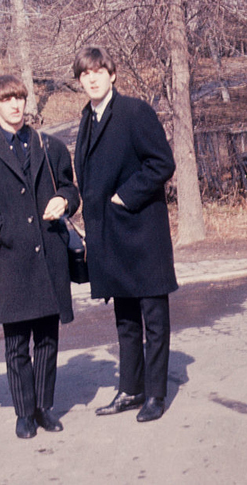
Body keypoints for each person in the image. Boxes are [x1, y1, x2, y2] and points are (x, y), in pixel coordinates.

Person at [0, 75, 80, 439]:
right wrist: (2, 231)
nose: (15, 106)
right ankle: (24, 412)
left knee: (47, 338)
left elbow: (70, 188)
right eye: (7, 100)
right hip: (11, 258)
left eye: (20, 99)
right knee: (16, 343)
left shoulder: (51, 146)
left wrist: (65, 201)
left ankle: (44, 407)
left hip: (49, 254)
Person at [73, 46, 178, 423]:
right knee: (126, 320)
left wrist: (124, 196)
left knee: (154, 319)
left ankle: (155, 394)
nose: (92, 78)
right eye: (85, 74)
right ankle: (130, 389)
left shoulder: (135, 111)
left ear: (112, 74)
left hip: (142, 234)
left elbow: (162, 162)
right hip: (111, 239)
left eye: (98, 71)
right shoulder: (87, 118)